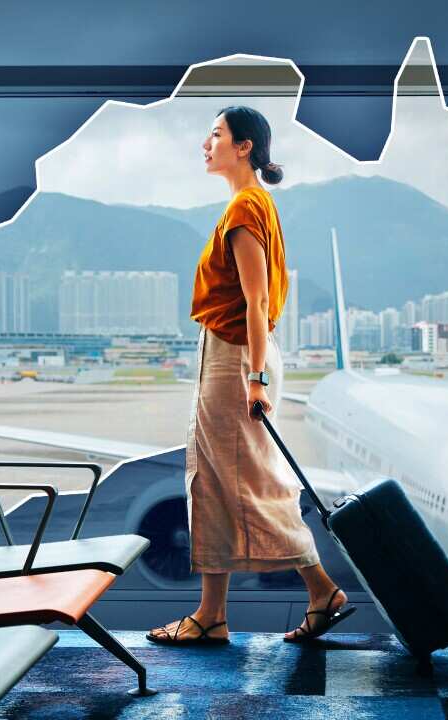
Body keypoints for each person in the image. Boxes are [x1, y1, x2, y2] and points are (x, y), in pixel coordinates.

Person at [146, 106, 354, 646]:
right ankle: (213, 613)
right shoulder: (253, 204)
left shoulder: (244, 209)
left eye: (215, 134)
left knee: (249, 482)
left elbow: (257, 301)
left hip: (237, 357)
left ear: (244, 147)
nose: (205, 143)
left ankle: (320, 591)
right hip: (234, 354)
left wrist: (254, 377)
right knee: (215, 482)